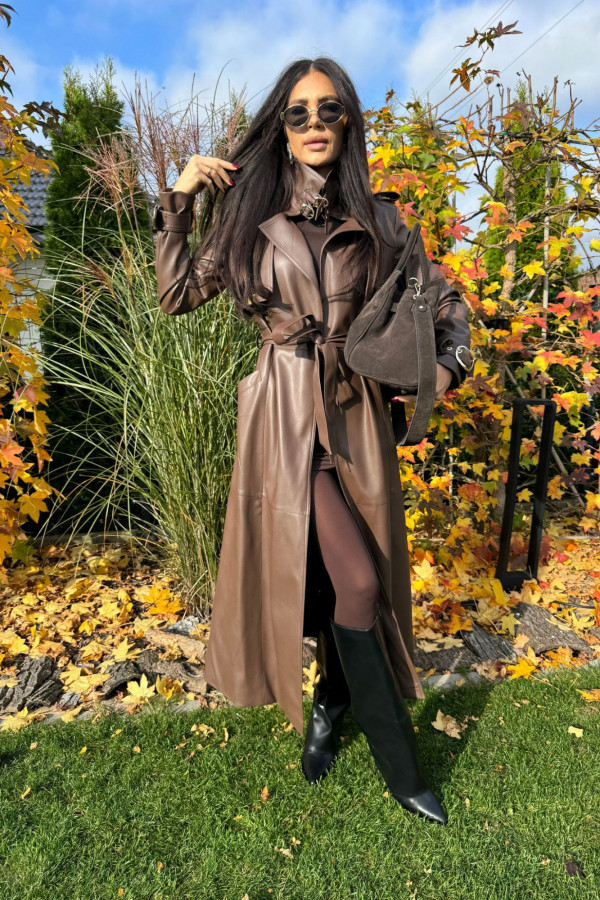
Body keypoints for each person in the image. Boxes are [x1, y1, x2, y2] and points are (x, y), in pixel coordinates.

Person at [152, 57, 472, 826]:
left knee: (345, 579)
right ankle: (400, 768)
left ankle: (332, 698)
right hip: (283, 416)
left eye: (328, 109)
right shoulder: (249, 217)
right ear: (282, 129)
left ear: (347, 120)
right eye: (298, 113)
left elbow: (445, 302)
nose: (314, 124)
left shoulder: (382, 219)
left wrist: (445, 369)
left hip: (356, 412)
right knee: (355, 581)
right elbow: (175, 295)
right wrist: (180, 197)